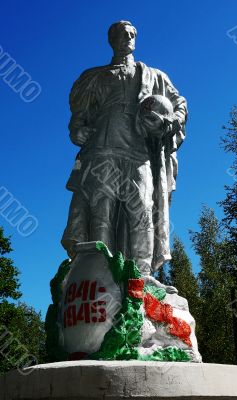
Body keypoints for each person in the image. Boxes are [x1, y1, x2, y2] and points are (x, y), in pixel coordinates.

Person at [62, 20, 187, 275]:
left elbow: (179, 104)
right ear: (111, 39)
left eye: (132, 33)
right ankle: (101, 274)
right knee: (101, 210)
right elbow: (79, 115)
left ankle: (141, 278)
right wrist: (77, 129)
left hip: (139, 154)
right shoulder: (94, 77)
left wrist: (170, 121)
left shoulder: (155, 76)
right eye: (121, 33)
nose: (127, 36)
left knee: (142, 209)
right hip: (102, 151)